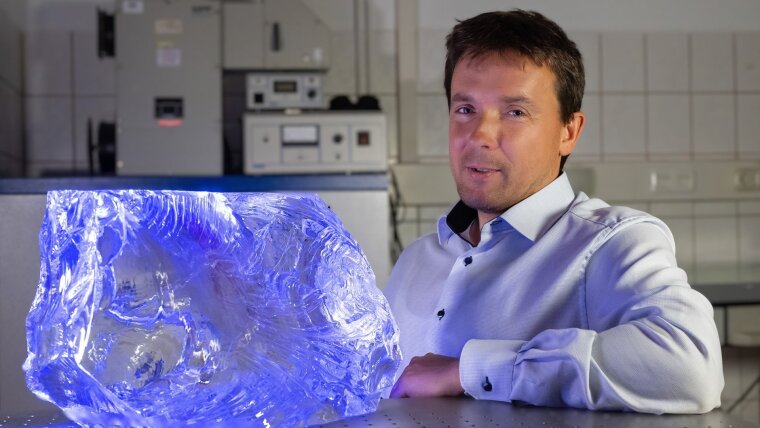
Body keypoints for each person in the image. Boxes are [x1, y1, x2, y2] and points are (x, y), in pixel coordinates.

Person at [385, 9, 723, 414]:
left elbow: (690, 367)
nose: (480, 135)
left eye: (515, 112)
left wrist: (465, 371)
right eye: (465, 109)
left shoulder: (610, 244)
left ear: (569, 132)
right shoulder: (416, 261)